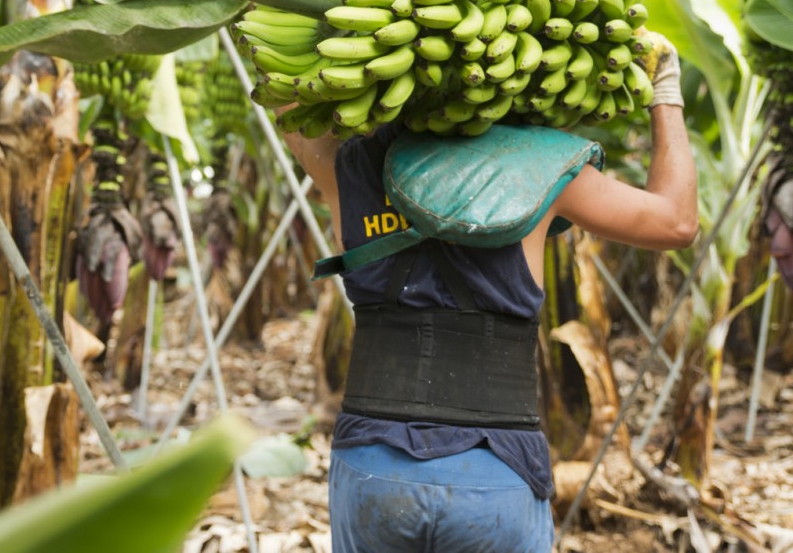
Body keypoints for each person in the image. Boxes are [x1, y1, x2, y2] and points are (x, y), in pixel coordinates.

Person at [278, 32, 698, 553]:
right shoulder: (546, 166)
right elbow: (676, 223)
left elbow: (287, 99)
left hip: (374, 471)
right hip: (492, 468)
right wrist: (664, 88)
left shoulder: (353, 164)